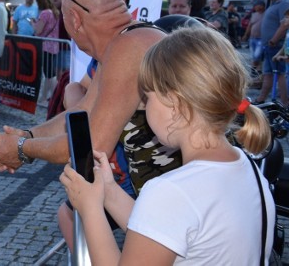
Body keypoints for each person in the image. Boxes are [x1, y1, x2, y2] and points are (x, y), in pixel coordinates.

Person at [0, 0, 181, 253]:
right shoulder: (124, 43)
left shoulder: (129, 48)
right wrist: (26, 134)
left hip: (177, 209)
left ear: (74, 19)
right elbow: (79, 114)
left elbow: (88, 146)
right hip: (166, 201)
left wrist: (21, 149)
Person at [60, 26, 273, 264]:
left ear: (175, 105)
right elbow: (159, 231)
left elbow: (169, 211)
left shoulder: (171, 191)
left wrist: (90, 210)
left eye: (148, 98)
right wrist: (108, 189)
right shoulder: (247, 167)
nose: (144, 107)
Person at [255, 0, 289, 105]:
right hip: (269, 45)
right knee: (268, 73)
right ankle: (261, 99)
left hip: (277, 45)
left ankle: (284, 103)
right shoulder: (275, 3)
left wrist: (274, 40)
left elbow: (285, 24)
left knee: (280, 74)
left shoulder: (285, 3)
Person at [30, 0, 60, 105]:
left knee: (49, 74)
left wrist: (33, 23)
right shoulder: (55, 12)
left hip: (45, 46)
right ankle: (45, 98)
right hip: (55, 46)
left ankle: (56, 97)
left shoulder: (44, 13)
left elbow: (38, 31)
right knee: (49, 73)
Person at [242, 1, 265, 75]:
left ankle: (253, 68)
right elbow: (250, 25)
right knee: (253, 55)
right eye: (256, 6)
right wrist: (246, 35)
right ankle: (257, 70)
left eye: (258, 5)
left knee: (257, 55)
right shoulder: (254, 14)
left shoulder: (266, 14)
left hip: (261, 38)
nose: (256, 7)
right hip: (252, 38)